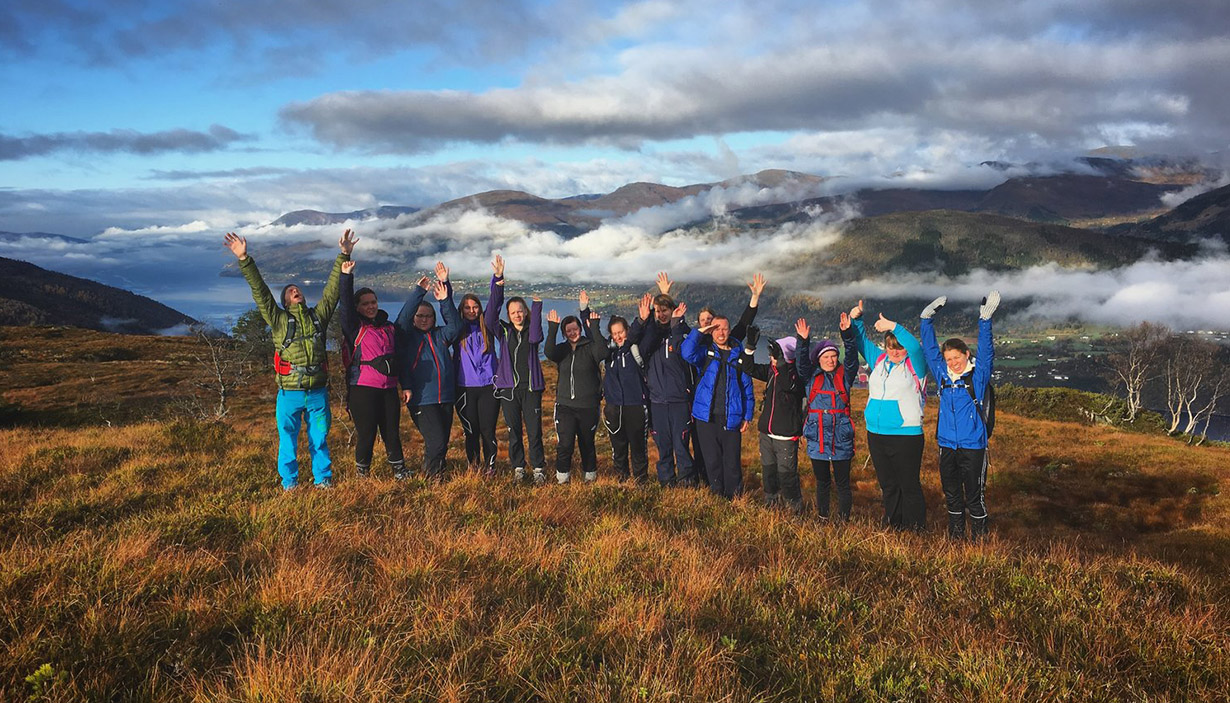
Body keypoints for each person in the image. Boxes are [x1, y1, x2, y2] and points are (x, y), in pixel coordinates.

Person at [224, 229, 352, 490]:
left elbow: (331, 292)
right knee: (288, 441)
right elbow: (260, 292)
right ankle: (289, 484)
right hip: (289, 393)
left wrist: (344, 255)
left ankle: (323, 481)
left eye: (298, 289)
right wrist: (244, 258)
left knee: (319, 439)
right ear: (284, 301)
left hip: (317, 392)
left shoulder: (318, 316)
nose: (296, 291)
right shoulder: (279, 320)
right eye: (291, 291)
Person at [919, 291, 999, 540]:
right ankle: (956, 539)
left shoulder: (978, 375)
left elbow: (986, 353)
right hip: (946, 445)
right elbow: (930, 349)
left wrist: (985, 321)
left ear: (966, 354)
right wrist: (926, 318)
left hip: (973, 446)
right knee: (952, 495)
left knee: (975, 496)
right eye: (949, 358)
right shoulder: (942, 374)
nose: (953, 362)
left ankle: (980, 540)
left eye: (957, 357)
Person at [849, 300, 931, 530]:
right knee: (888, 485)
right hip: (876, 434)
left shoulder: (916, 366)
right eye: (890, 347)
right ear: (885, 347)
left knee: (909, 485)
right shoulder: (878, 361)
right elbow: (860, 341)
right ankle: (895, 526)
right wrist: (856, 319)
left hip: (906, 434)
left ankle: (915, 529)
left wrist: (893, 327)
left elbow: (914, 347)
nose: (895, 352)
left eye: (898, 347)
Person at [339, 257, 406, 480]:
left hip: (388, 388)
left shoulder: (388, 328)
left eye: (373, 302)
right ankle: (362, 474)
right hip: (362, 388)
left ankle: (399, 471)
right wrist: (346, 277)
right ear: (358, 307)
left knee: (392, 434)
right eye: (365, 303)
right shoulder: (355, 327)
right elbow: (345, 305)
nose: (370, 306)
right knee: (366, 434)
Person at [395, 262, 464, 478]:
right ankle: (431, 479)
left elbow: (456, 326)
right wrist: (418, 293)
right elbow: (402, 320)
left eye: (428, 316)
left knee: (441, 441)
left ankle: (436, 473)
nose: (424, 320)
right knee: (436, 441)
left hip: (446, 397)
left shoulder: (441, 335)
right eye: (420, 316)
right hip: (422, 398)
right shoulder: (406, 337)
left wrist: (445, 296)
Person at [681, 306, 756, 499]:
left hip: (731, 417)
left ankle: (735, 498)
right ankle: (717, 497)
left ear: (729, 330)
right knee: (712, 461)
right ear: (711, 332)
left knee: (731, 462)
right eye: (716, 329)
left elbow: (747, 387)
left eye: (724, 328)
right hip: (706, 417)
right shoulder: (705, 353)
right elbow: (686, 352)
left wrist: (747, 415)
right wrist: (700, 332)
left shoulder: (739, 355)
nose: (721, 332)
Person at [795, 314, 860, 521]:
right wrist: (803, 341)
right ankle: (823, 517)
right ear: (819, 359)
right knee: (822, 482)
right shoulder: (810, 377)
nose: (831, 360)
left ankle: (843, 520)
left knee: (842, 483)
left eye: (833, 356)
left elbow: (851, 359)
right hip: (818, 437)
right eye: (826, 357)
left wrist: (847, 335)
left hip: (840, 437)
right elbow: (801, 363)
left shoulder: (845, 375)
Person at [545, 291, 610, 483]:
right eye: (568, 330)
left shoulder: (590, 347)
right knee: (564, 445)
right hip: (565, 406)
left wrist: (595, 327)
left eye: (575, 329)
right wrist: (552, 328)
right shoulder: (562, 350)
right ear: (564, 333)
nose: (572, 333)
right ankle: (562, 479)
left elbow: (603, 351)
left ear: (580, 329)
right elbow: (548, 351)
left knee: (587, 444)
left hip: (588, 406)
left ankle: (590, 478)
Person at [490, 268, 547, 484]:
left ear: (525, 312)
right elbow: (489, 316)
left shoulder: (532, 330)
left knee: (534, 432)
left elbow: (535, 338)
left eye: (520, 310)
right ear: (508, 314)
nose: (517, 314)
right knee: (514, 431)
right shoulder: (504, 332)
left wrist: (537, 306)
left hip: (531, 389)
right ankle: (518, 469)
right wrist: (498, 283)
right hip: (508, 390)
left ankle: (539, 469)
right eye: (513, 311)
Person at [738, 323, 803, 510]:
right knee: (768, 473)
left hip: (785, 435)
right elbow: (748, 368)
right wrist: (750, 347)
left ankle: (794, 508)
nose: (770, 357)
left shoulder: (795, 375)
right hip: (766, 432)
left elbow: (788, 386)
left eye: (774, 353)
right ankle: (771, 504)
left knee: (787, 475)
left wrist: (781, 362)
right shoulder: (771, 371)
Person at [640, 275, 697, 487]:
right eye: (658, 311)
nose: (661, 314)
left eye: (665, 310)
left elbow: (688, 348)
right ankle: (666, 484)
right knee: (663, 447)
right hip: (657, 402)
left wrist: (676, 322)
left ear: (672, 311)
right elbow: (644, 345)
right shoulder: (652, 335)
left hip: (679, 400)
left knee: (681, 446)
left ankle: (687, 484)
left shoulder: (681, 332)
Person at [454, 255, 504, 476]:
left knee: (487, 431)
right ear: (462, 310)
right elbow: (447, 310)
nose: (472, 310)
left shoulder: (489, 328)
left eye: (475, 307)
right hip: (464, 389)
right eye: (467, 308)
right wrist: (445, 284)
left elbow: (495, 305)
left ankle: (490, 467)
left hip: (488, 388)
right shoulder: (456, 330)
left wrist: (498, 278)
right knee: (470, 431)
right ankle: (473, 467)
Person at [599, 294, 655, 484]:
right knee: (619, 450)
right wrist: (584, 312)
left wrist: (644, 318)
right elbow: (593, 337)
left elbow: (649, 334)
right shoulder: (609, 355)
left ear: (627, 331)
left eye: (620, 332)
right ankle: (621, 483)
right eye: (614, 334)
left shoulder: (635, 350)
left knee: (639, 449)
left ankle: (641, 484)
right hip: (614, 408)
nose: (618, 336)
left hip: (636, 407)